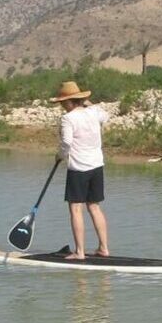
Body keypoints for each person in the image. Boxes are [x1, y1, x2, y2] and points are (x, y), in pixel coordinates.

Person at [51, 80, 110, 260]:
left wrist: (60, 155)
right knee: (94, 206)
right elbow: (105, 115)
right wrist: (85, 102)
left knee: (76, 208)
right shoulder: (94, 112)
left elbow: (67, 143)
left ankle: (80, 252)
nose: (61, 106)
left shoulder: (68, 119)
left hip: (79, 169)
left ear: (69, 102)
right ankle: (104, 248)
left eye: (63, 102)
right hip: (97, 166)